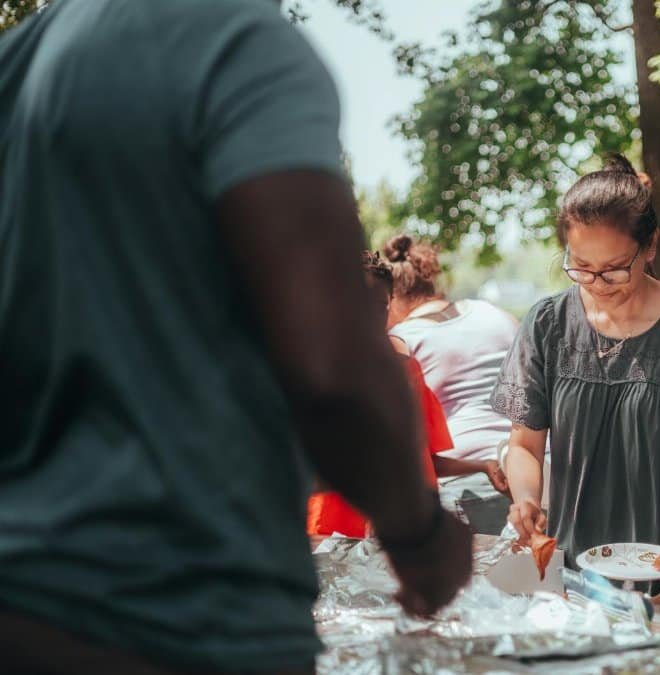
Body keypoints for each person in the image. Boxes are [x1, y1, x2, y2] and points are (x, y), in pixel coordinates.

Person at [0, 2, 470, 673]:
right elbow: (333, 363)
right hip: (184, 619)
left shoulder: (18, 62)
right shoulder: (236, 43)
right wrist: (420, 534)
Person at [493, 154, 660, 588]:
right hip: (573, 564)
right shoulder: (546, 323)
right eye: (580, 267)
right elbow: (524, 442)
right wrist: (526, 500)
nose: (597, 284)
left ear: (649, 246)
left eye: (614, 269)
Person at [306, 252, 456, 538]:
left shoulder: (407, 371)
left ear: (390, 306)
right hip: (325, 533)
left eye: (378, 306)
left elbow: (419, 457)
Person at [383, 234, 515, 534]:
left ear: (390, 301)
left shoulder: (402, 342)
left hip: (463, 484)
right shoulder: (494, 314)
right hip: (533, 471)